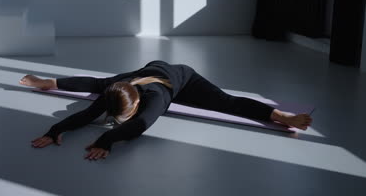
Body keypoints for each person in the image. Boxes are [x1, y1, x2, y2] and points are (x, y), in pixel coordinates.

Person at [20, 60, 312, 161]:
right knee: (98, 83)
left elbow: (140, 126)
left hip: (181, 79)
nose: (112, 122)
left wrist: (105, 141)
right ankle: (47, 82)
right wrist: (54, 130)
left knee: (228, 103)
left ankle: (280, 115)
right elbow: (86, 112)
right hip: (143, 72)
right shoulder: (116, 89)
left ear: (135, 105)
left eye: (119, 118)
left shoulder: (156, 98)